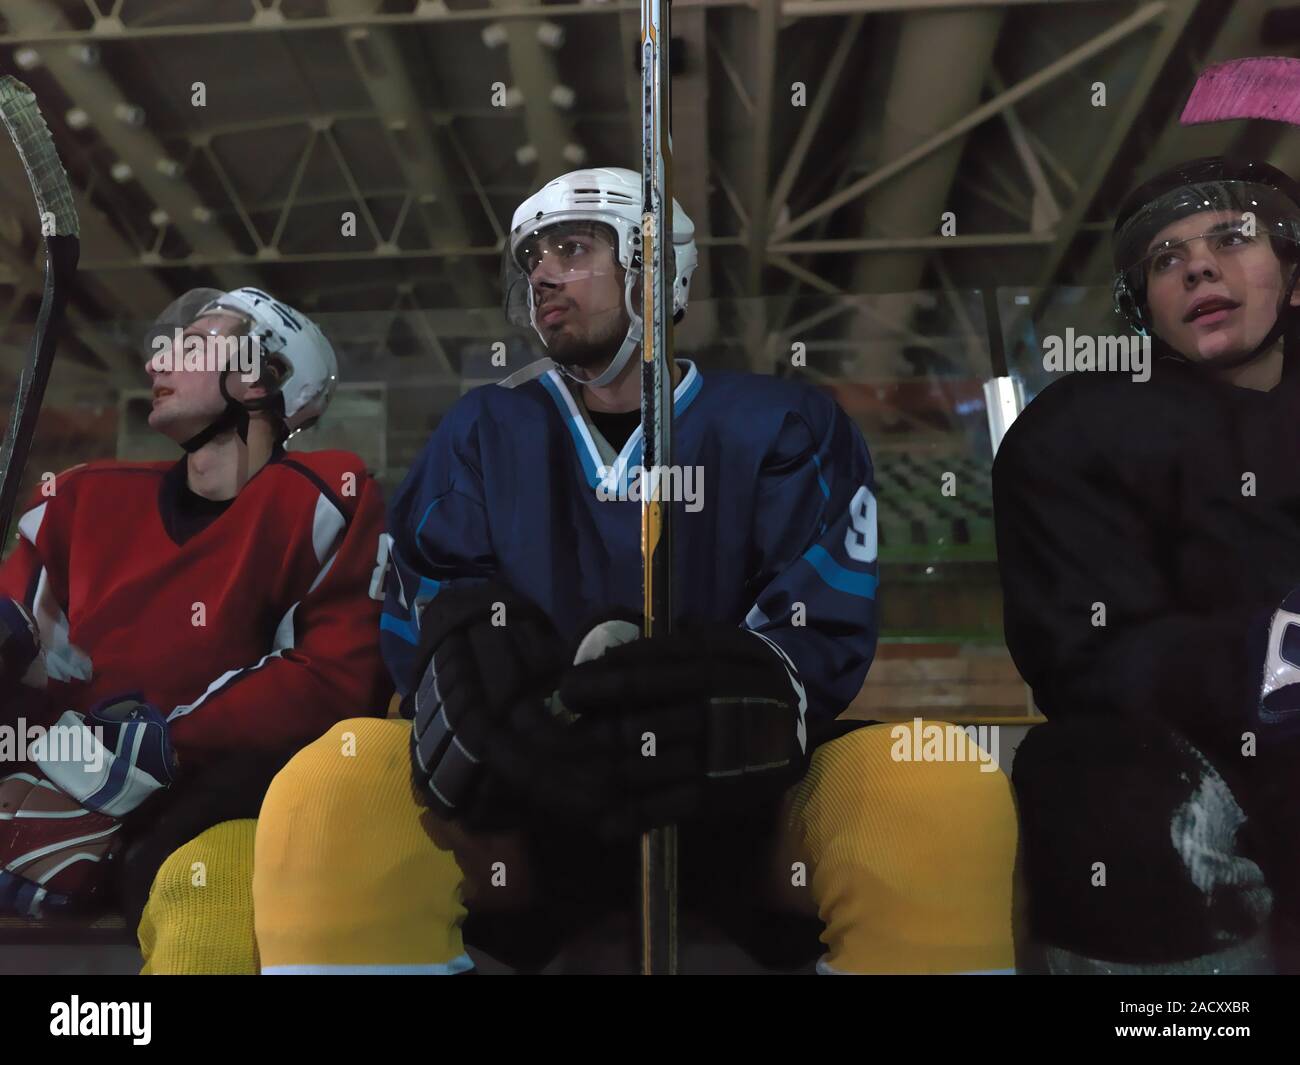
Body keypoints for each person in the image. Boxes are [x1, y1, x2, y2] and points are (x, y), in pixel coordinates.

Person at [250, 167, 1018, 975]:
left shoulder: (783, 422)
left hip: (742, 799)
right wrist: (473, 677)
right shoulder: (484, 428)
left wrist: (747, 694)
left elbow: (814, 637)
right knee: (330, 786)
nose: (542, 272)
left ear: (657, 266)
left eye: (572, 248)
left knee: (936, 791)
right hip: (522, 797)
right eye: (534, 258)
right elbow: (436, 620)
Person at [0, 287, 391, 973]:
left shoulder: (327, 495)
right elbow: (22, 639)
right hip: (51, 784)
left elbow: (329, 683)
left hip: (213, 814)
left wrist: (159, 743)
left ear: (258, 375)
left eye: (192, 343)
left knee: (204, 911)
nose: (159, 360)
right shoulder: (79, 499)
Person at [996, 157, 1300, 973]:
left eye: (1232, 238)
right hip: (1189, 758)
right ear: (1144, 308)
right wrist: (1271, 658)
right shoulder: (1075, 430)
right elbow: (1083, 661)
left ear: (1294, 276)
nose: (1198, 263)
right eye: (1167, 257)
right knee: (1111, 799)